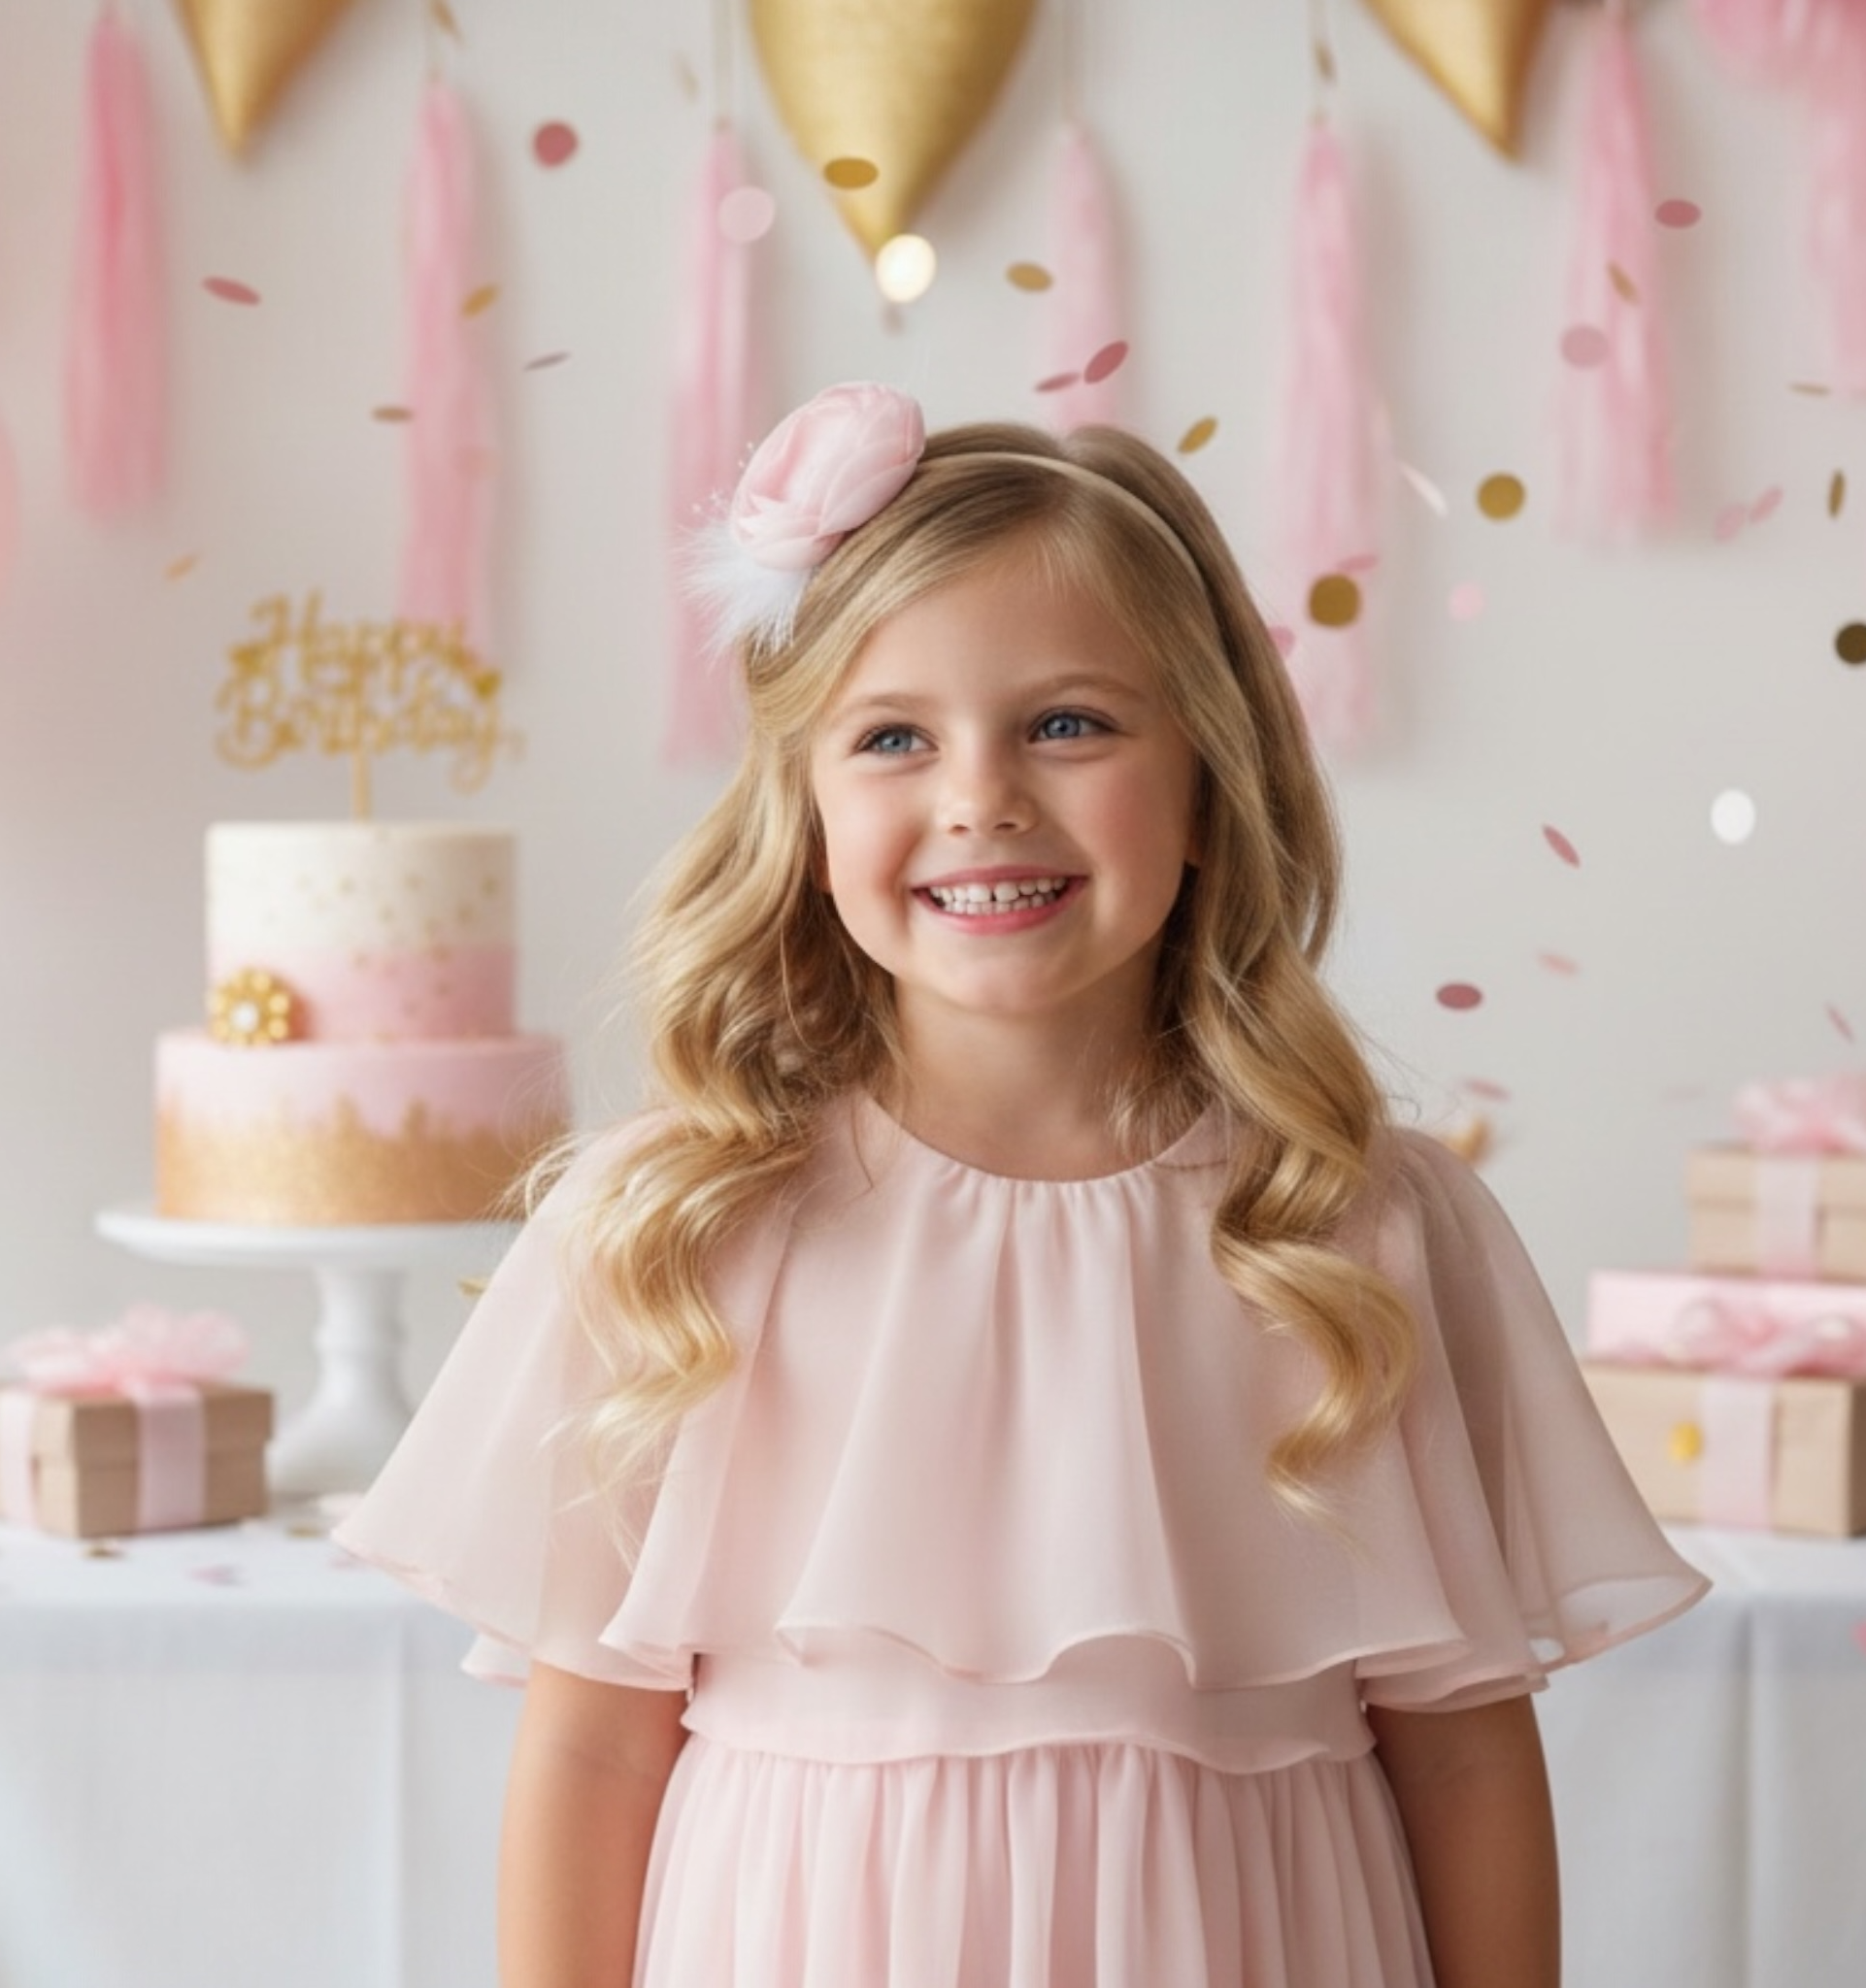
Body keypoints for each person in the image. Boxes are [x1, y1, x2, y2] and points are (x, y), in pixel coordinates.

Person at [335, 381, 1708, 1988]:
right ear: (804, 805)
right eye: (894, 736)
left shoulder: (1355, 1226)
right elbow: (592, 1755)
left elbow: (1467, 1765)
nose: (980, 795)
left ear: (1208, 780)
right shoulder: (678, 1227)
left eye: (1068, 722)